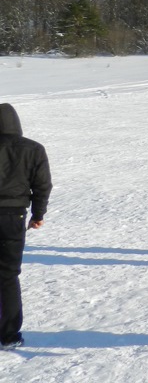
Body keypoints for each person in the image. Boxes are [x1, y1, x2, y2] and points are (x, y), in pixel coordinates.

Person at [0, 103, 52, 350]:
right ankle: (9, 336)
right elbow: (42, 185)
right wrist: (37, 213)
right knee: (8, 275)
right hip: (13, 218)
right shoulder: (33, 149)